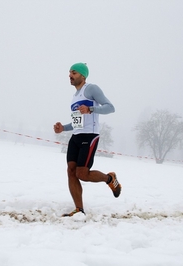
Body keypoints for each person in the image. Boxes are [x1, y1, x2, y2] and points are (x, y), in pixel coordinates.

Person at [53, 62, 122, 217]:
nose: (70, 75)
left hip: (89, 136)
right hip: (76, 137)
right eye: (69, 72)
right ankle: (79, 210)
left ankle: (110, 178)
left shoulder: (91, 89)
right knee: (71, 172)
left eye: (74, 72)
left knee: (82, 174)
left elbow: (110, 107)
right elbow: (79, 121)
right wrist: (63, 128)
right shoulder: (74, 96)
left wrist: (91, 109)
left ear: (83, 75)